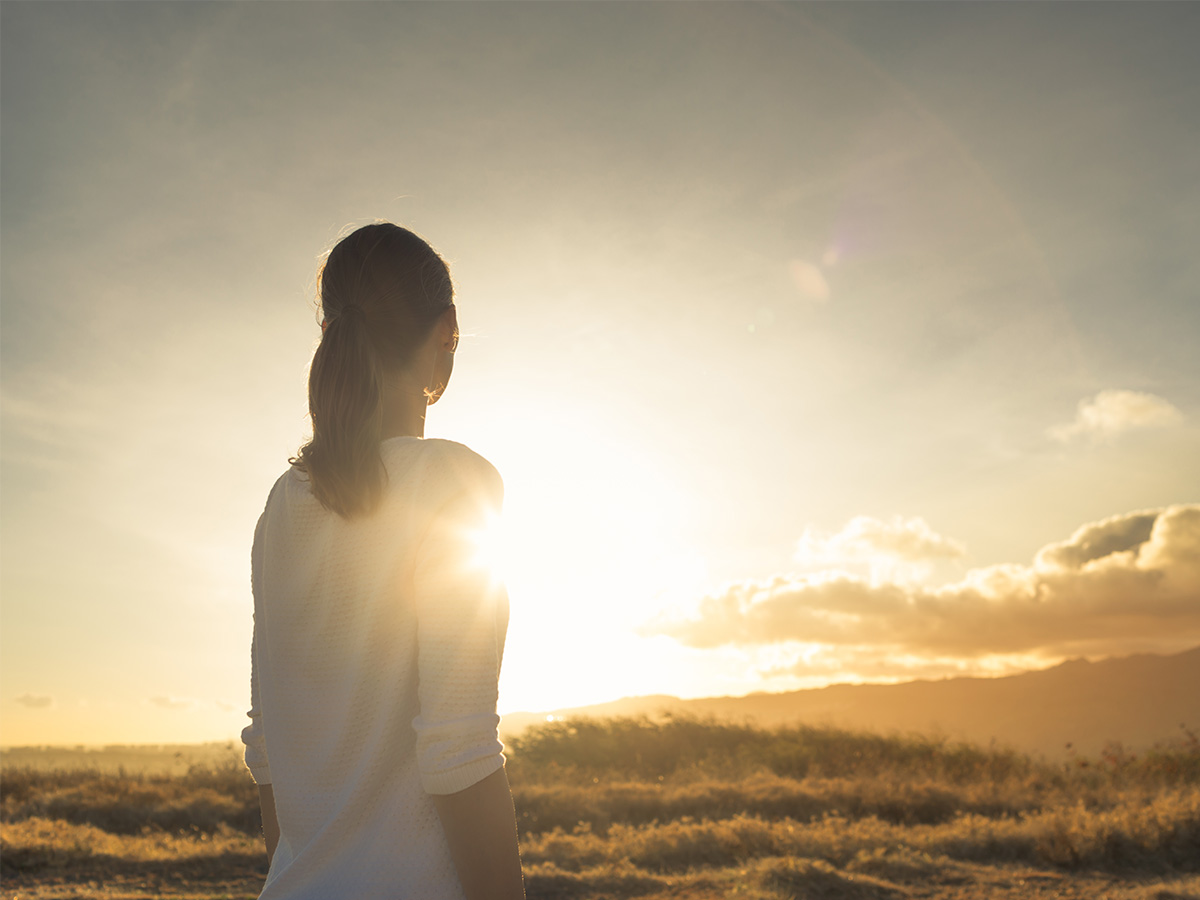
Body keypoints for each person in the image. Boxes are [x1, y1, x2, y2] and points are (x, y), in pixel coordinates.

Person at [241, 223, 526, 900]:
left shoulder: (282, 505)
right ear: (447, 331)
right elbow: (459, 751)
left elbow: (267, 750)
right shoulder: (452, 481)